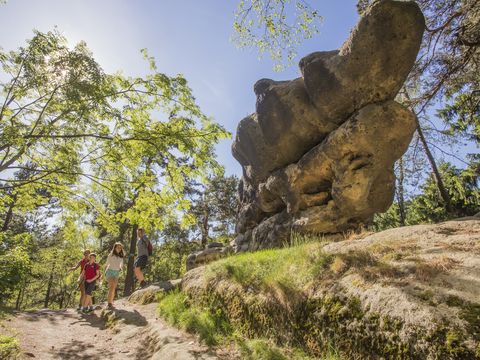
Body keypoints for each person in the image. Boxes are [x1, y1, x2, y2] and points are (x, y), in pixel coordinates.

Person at [105, 242, 124, 309]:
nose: (119, 248)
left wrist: (121, 268)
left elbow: (121, 265)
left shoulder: (121, 256)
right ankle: (109, 303)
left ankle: (111, 301)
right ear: (115, 247)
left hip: (116, 272)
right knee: (111, 287)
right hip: (110, 271)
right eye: (118, 247)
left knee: (113, 288)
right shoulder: (111, 255)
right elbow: (106, 264)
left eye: (120, 247)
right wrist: (104, 272)